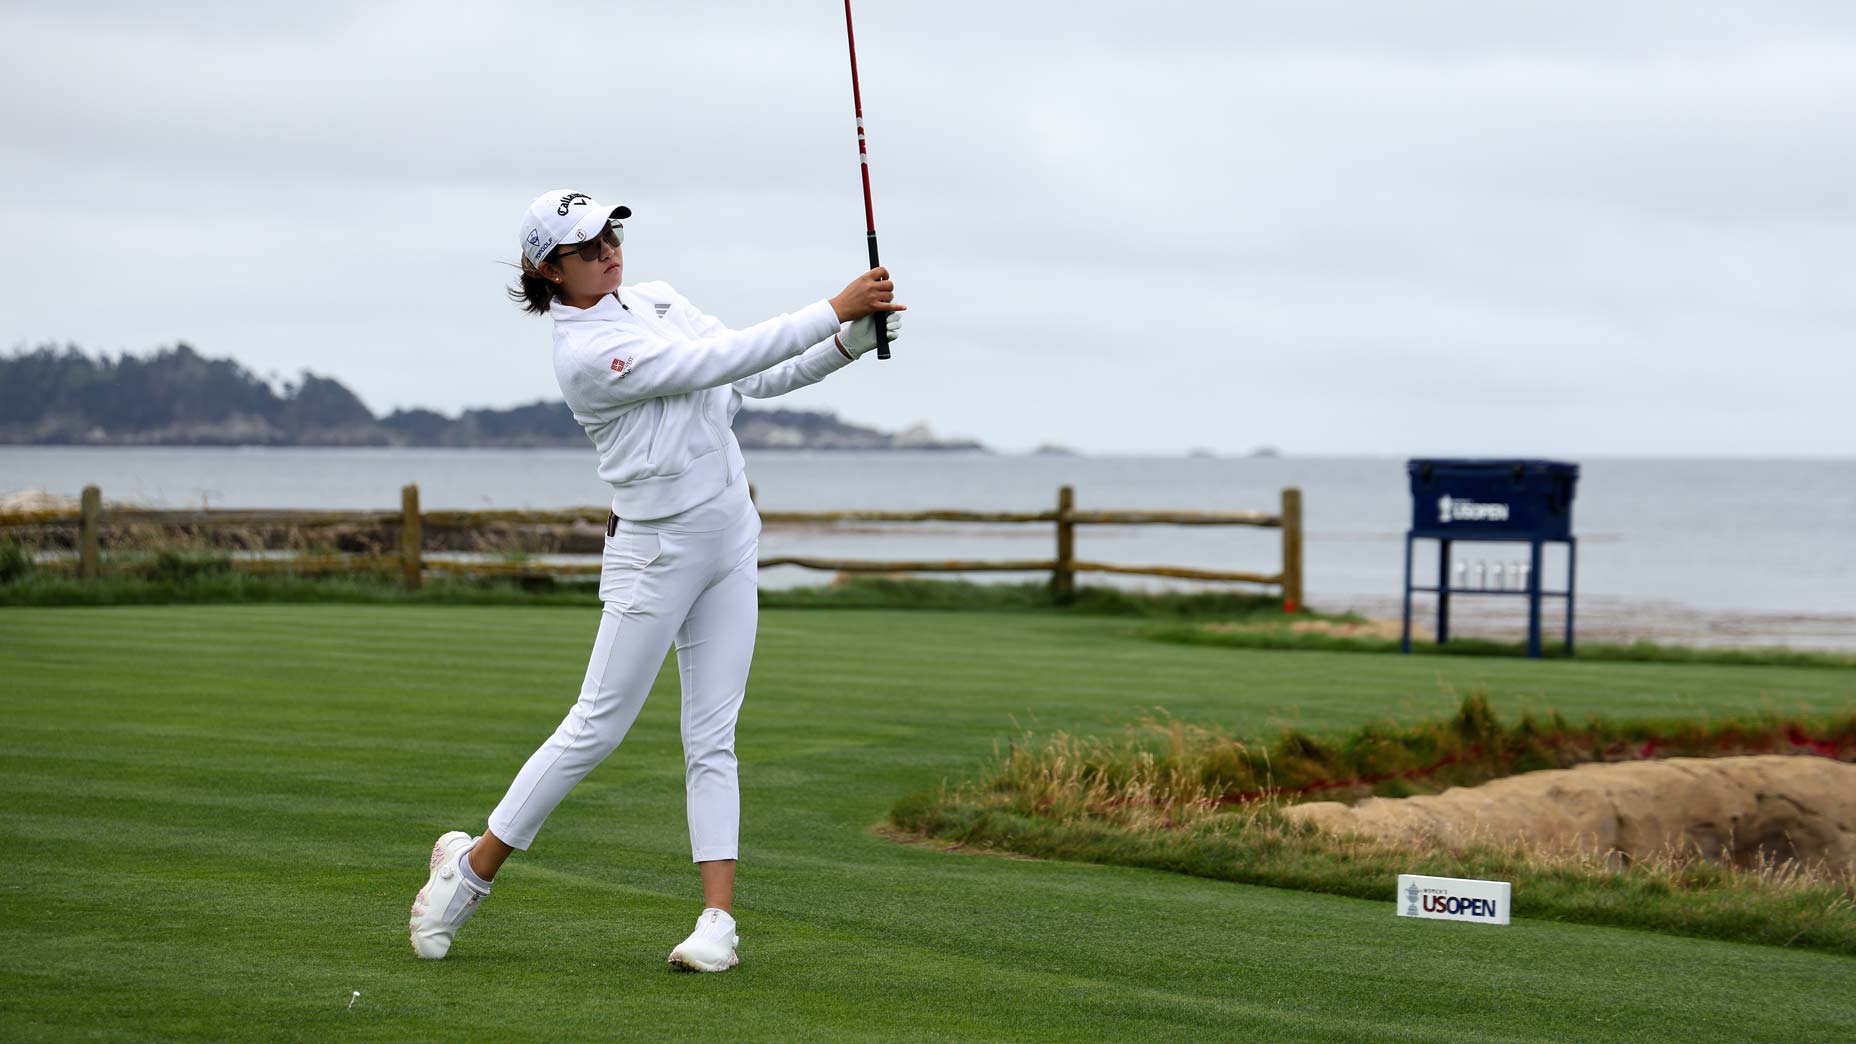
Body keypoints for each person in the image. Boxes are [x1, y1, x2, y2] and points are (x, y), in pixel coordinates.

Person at [409, 188, 904, 972]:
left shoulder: (660, 300)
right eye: (586, 246)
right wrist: (833, 308)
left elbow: (748, 377)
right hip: (655, 550)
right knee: (597, 726)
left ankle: (717, 924)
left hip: (729, 535)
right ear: (549, 270)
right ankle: (468, 872)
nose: (608, 250)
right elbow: (714, 362)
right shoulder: (585, 355)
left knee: (713, 736)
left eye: (610, 234)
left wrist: (846, 342)